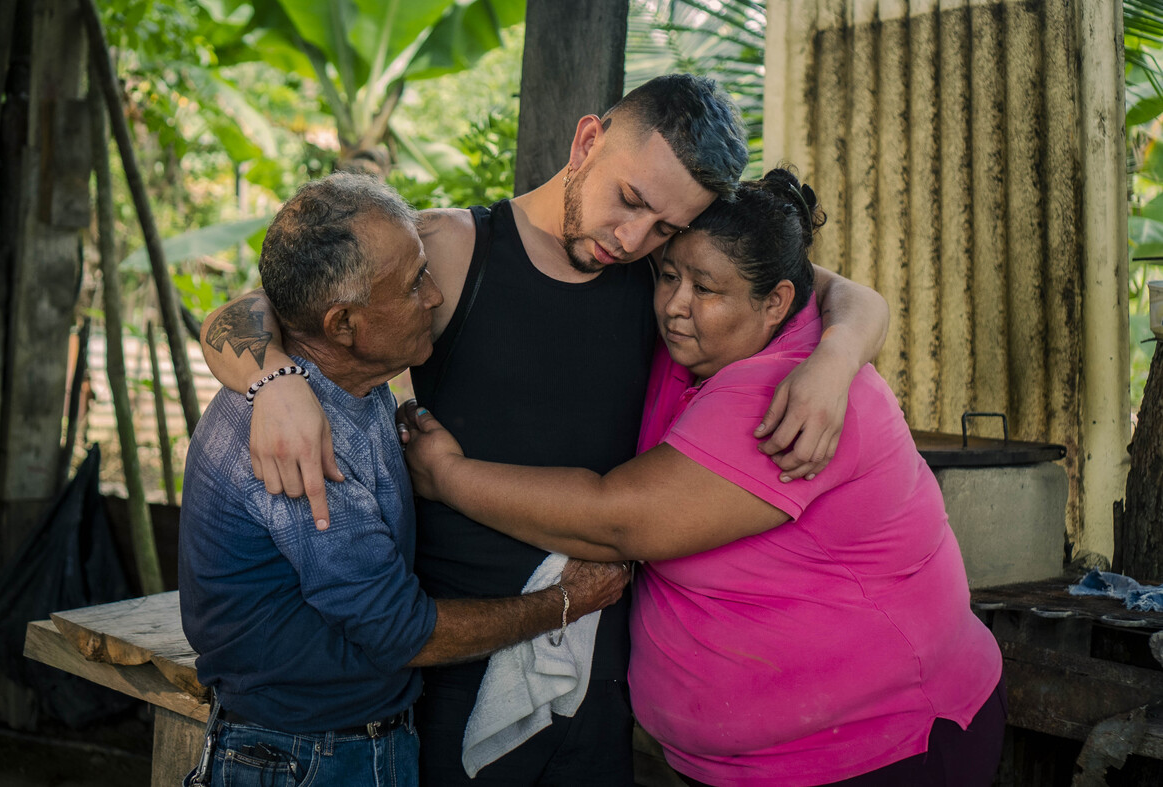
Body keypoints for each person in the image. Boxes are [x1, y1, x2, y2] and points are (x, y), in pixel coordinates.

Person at [200, 74, 889, 785]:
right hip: (450, 656)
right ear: (587, 141)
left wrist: (835, 360)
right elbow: (260, 306)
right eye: (630, 200)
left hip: (598, 648)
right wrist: (273, 381)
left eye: (665, 227)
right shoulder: (453, 248)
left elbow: (842, 293)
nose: (632, 237)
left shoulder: (663, 270)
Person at [400, 170, 1006, 787]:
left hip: (878, 750)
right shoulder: (712, 333)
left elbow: (619, 523)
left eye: (704, 289)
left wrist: (447, 476)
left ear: (774, 302)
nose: (673, 304)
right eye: (668, 276)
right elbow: (847, 292)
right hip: (751, 760)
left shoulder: (786, 396)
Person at [179, 173, 629, 787]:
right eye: (415, 282)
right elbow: (400, 632)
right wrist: (565, 603)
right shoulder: (302, 453)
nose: (436, 296)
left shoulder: (333, 377)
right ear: (342, 324)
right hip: (308, 759)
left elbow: (252, 306)